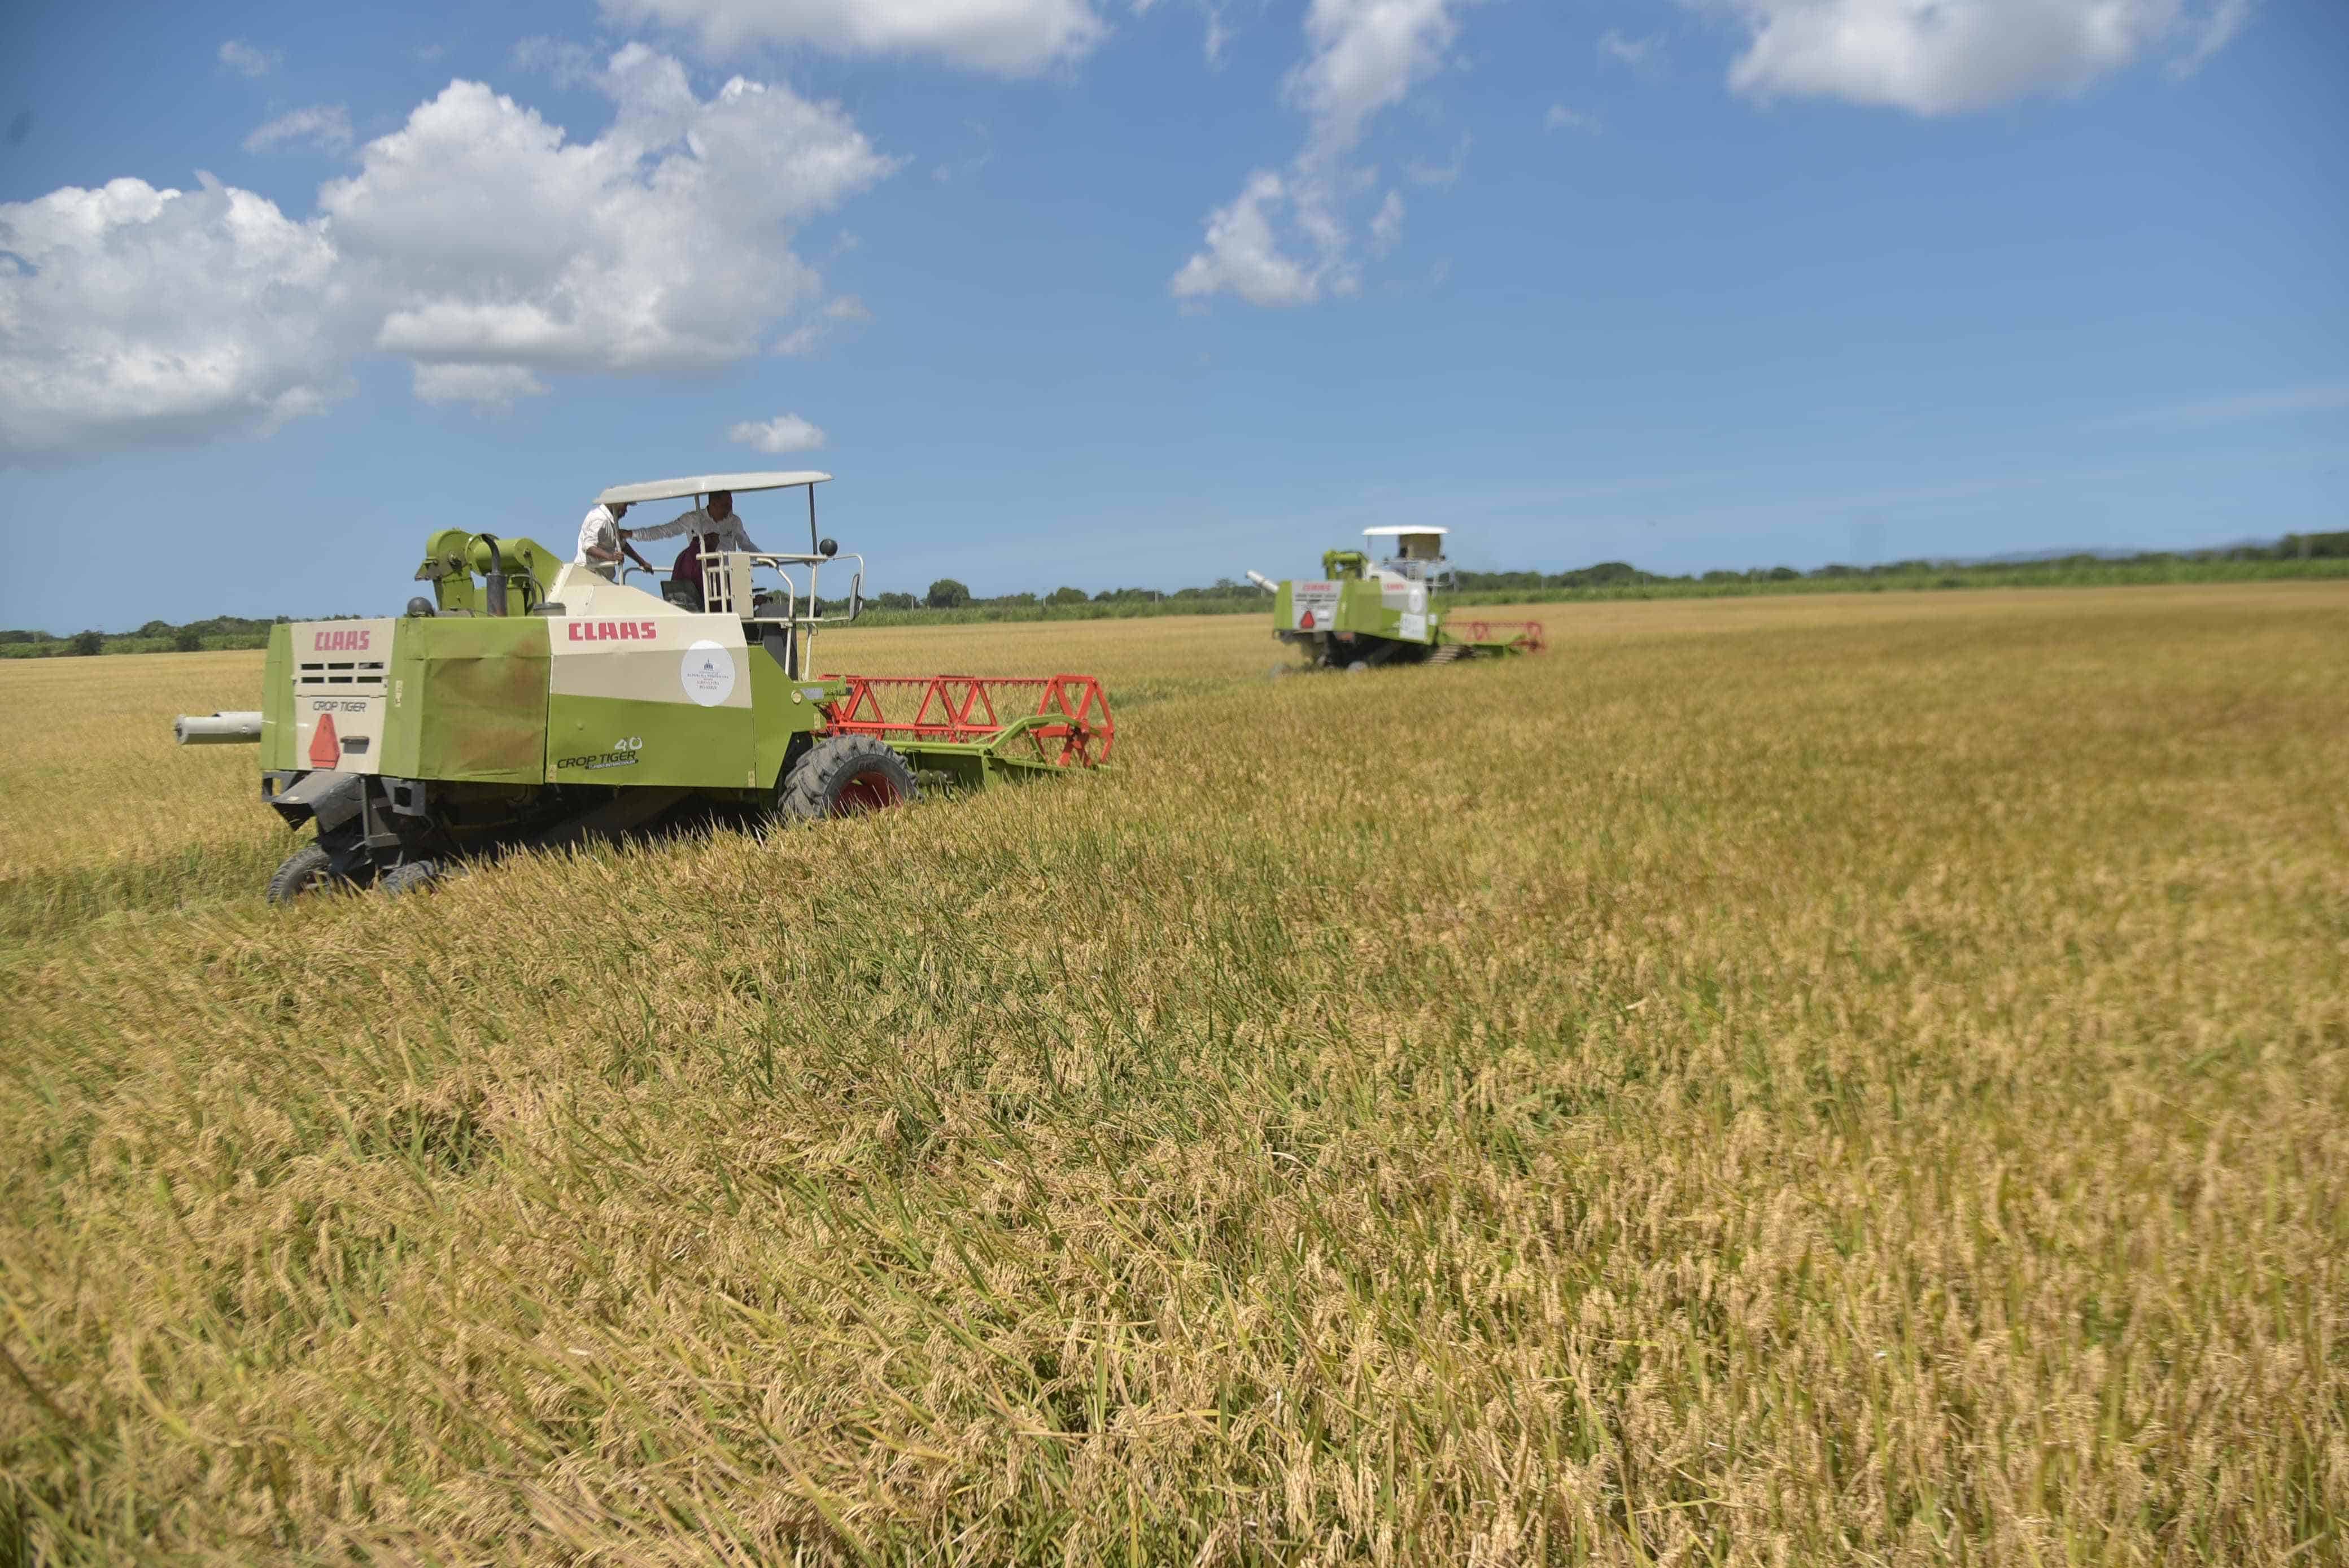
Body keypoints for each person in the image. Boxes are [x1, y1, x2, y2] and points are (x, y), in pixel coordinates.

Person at [629, 490, 761, 610]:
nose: (730, 510)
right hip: (702, 580)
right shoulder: (692, 519)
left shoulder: (734, 521)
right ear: (714, 504)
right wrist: (632, 534)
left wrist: (766, 559)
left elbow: (746, 545)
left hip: (729, 578)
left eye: (731, 505)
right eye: (726, 506)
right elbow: (664, 531)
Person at [574, 499, 654, 583]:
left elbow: (622, 544)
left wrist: (642, 562)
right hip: (590, 575)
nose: (626, 511)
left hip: (600, 577)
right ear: (616, 503)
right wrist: (612, 557)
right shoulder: (601, 519)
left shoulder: (610, 521)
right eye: (625, 505)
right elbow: (588, 547)